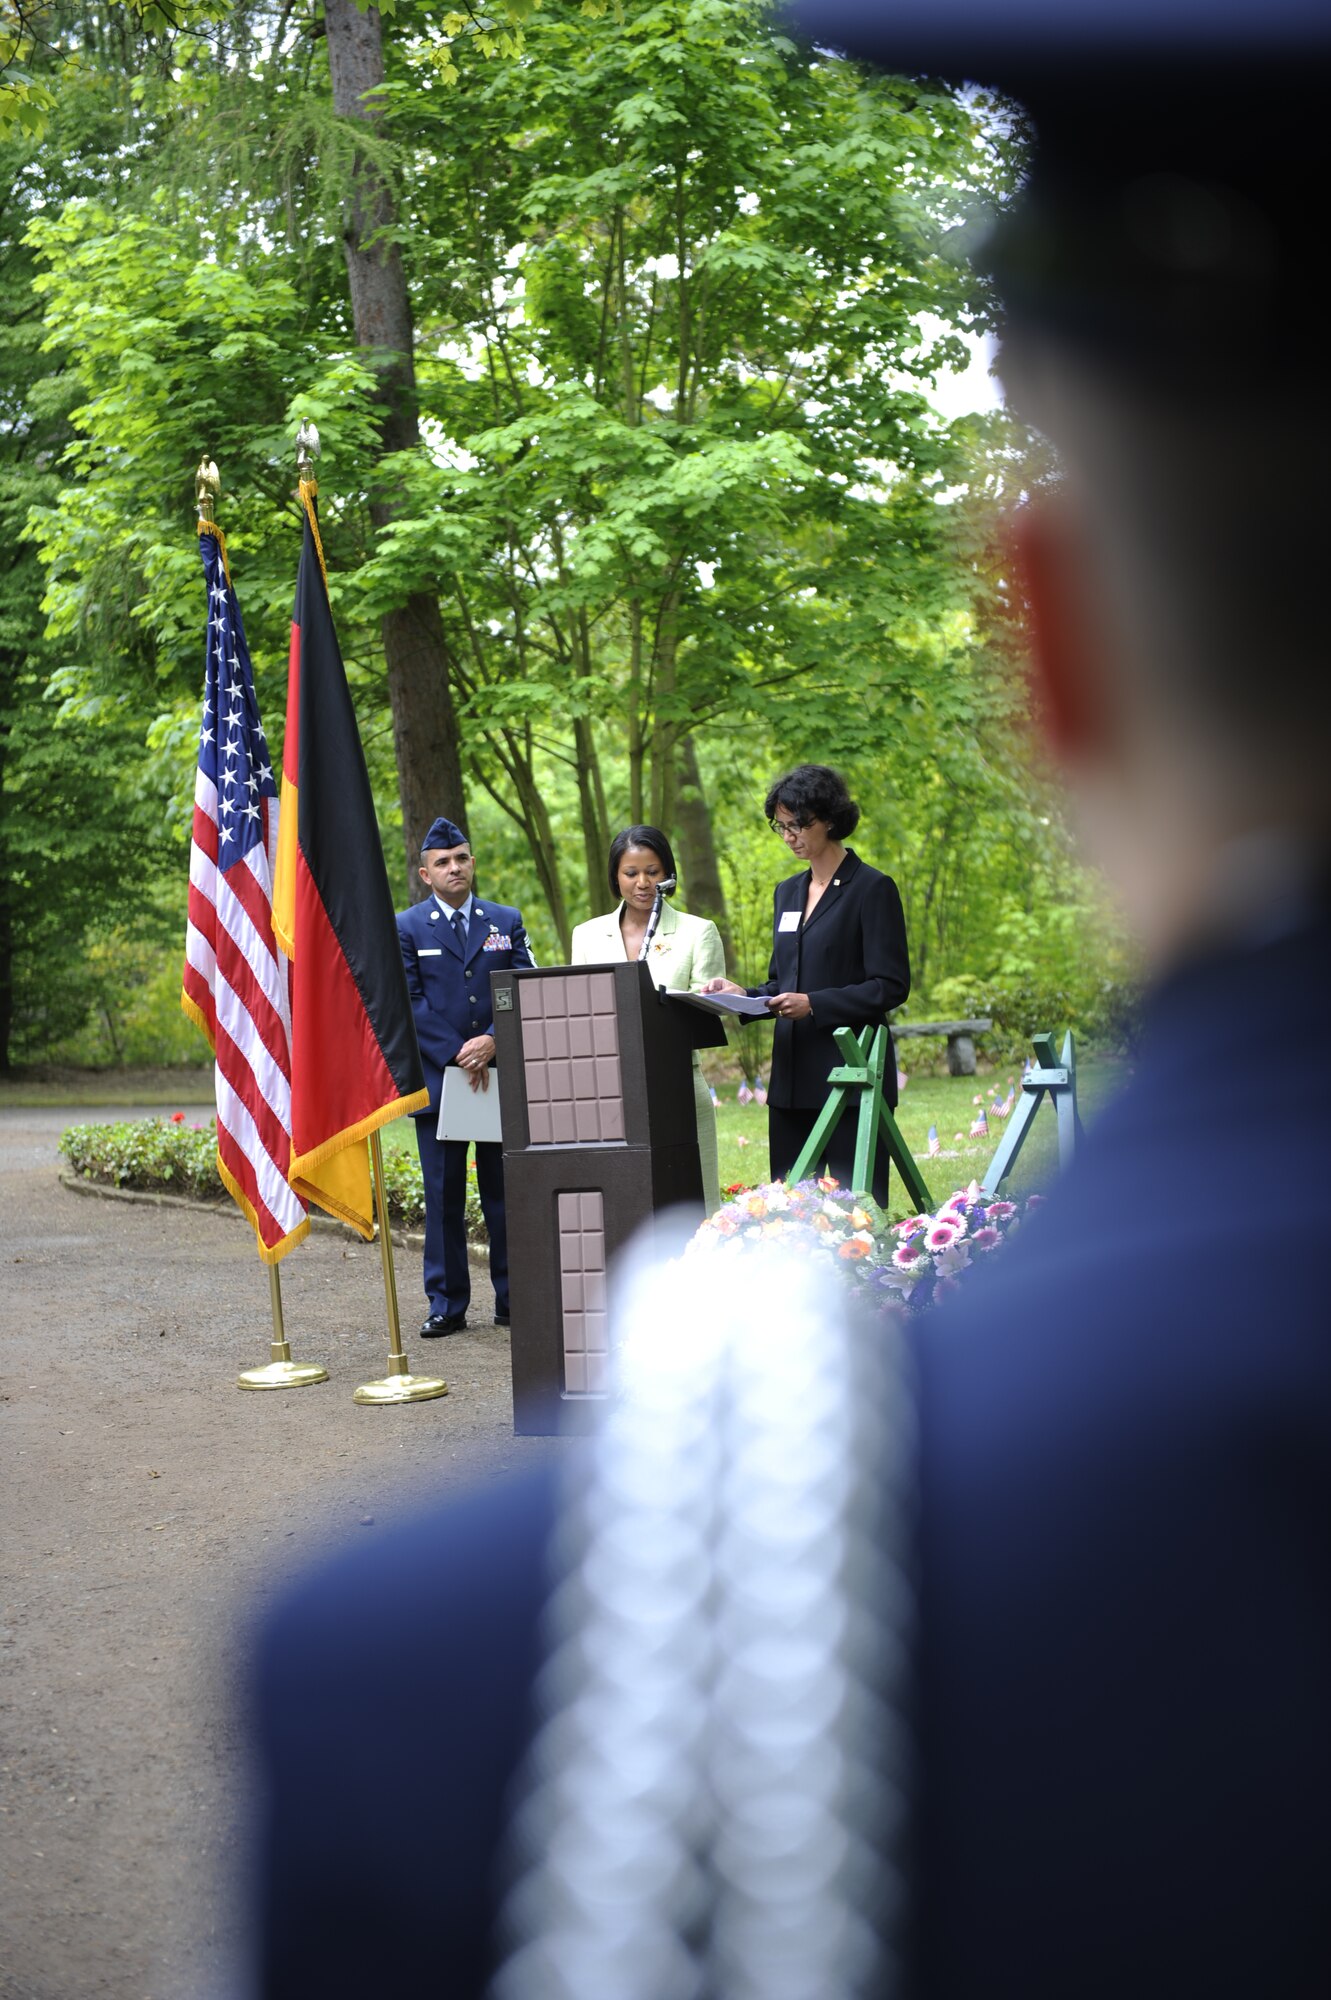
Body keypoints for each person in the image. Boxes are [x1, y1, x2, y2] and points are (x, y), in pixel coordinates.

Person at [249, 10, 1331, 1996]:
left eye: (780, 828)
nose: (739, 850)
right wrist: (746, 983)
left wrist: (801, 997)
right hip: (768, 1058)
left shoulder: (439, 1704)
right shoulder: (714, 903)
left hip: (840, 1072)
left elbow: (889, 977)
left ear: (1055, 640)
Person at [703, 763, 909, 1205]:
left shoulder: (872, 889)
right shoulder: (787, 893)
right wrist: (743, 994)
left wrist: (815, 1004)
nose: (790, 836)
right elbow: (783, 980)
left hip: (851, 1077)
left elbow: (890, 986)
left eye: (800, 824)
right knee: (790, 1214)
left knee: (858, 1216)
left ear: (830, 819)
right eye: (782, 826)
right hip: (792, 1081)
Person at [396, 816, 534, 1334]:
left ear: (472, 863)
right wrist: (459, 1052)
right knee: (443, 1194)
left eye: (461, 858)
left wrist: (496, 1039)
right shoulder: (407, 927)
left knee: (505, 1190)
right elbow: (408, 1004)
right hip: (441, 1081)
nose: (454, 867)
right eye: (442, 863)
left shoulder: (506, 920)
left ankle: (514, 1297)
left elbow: (524, 988)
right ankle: (446, 1305)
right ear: (425, 874)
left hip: (500, 1073)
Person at [569, 824, 726, 1214]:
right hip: (607, 1087)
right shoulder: (586, 935)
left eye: (653, 872)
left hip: (676, 1083)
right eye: (631, 873)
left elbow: (709, 1010)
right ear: (615, 876)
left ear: (668, 875)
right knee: (622, 1202)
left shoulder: (698, 932)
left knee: (694, 1201)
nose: (643, 883)